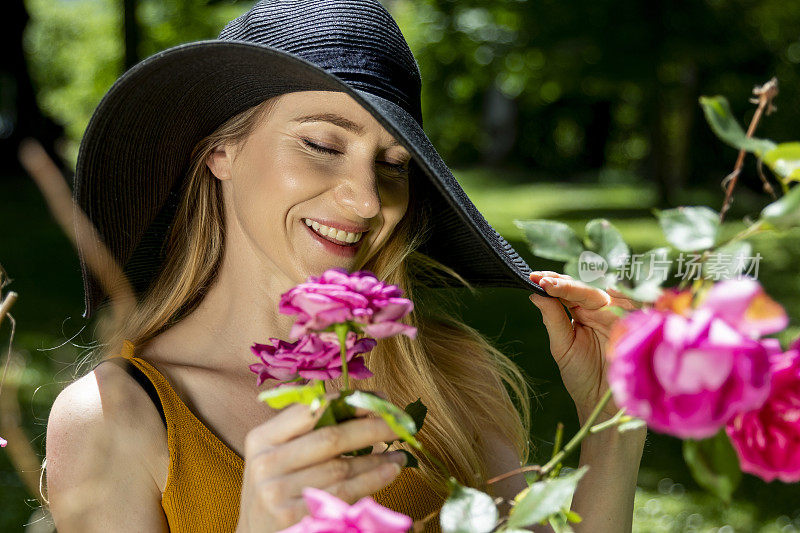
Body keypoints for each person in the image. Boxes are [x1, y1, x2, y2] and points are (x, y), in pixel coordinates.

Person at [43, 1, 646, 532]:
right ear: (220, 150)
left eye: (393, 163)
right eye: (324, 146)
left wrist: (616, 420)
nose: (366, 199)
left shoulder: (451, 377)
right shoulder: (113, 420)